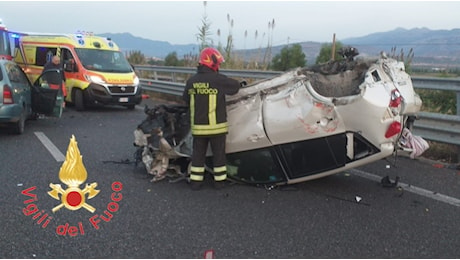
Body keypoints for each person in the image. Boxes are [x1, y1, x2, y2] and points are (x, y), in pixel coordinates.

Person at [182, 47, 241, 190]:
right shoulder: (218, 80)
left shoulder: (191, 82)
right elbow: (235, 87)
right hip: (217, 128)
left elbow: (185, 99)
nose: (219, 66)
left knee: (198, 156)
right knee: (219, 156)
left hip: (198, 128)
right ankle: (219, 182)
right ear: (212, 62)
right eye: (218, 63)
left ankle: (196, 183)